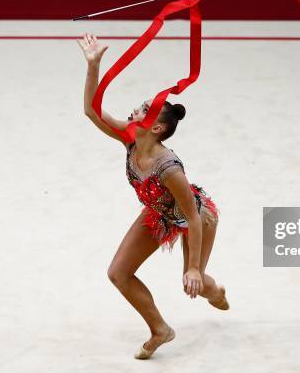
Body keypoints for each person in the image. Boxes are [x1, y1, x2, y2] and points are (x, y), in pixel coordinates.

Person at [77, 33, 229, 359]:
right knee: (118, 273)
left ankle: (215, 291)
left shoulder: (168, 167)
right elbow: (92, 111)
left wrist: (190, 269)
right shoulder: (130, 139)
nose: (136, 108)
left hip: (195, 217)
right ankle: (160, 329)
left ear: (157, 128)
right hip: (158, 212)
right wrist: (94, 65)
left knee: (197, 282)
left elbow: (191, 217)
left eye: (145, 109)